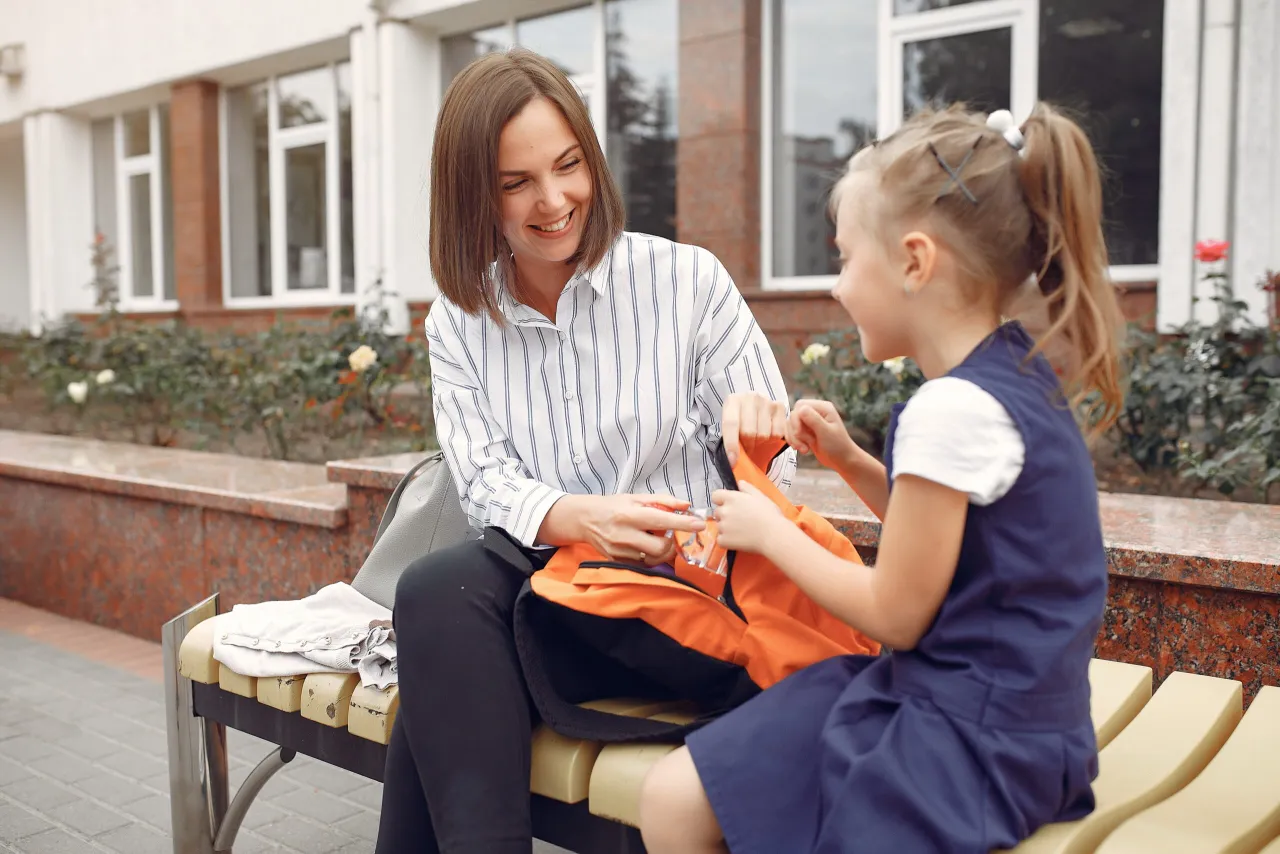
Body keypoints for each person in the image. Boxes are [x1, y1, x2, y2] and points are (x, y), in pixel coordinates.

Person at [637, 103, 1126, 853]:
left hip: (976, 738)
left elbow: (895, 613)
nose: (836, 287)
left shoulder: (951, 409)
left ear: (914, 261)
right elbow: (954, 542)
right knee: (672, 798)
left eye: (843, 258)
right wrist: (852, 461)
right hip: (990, 711)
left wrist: (770, 533)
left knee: (687, 801)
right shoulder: (1012, 376)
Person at [374, 47, 797, 854]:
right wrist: (578, 519)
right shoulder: (458, 322)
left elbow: (776, 474)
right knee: (438, 592)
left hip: (684, 608)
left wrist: (753, 439)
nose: (554, 200)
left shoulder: (686, 283)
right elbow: (484, 482)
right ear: (473, 196)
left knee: (434, 678)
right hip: (557, 605)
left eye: (569, 166)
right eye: (515, 183)